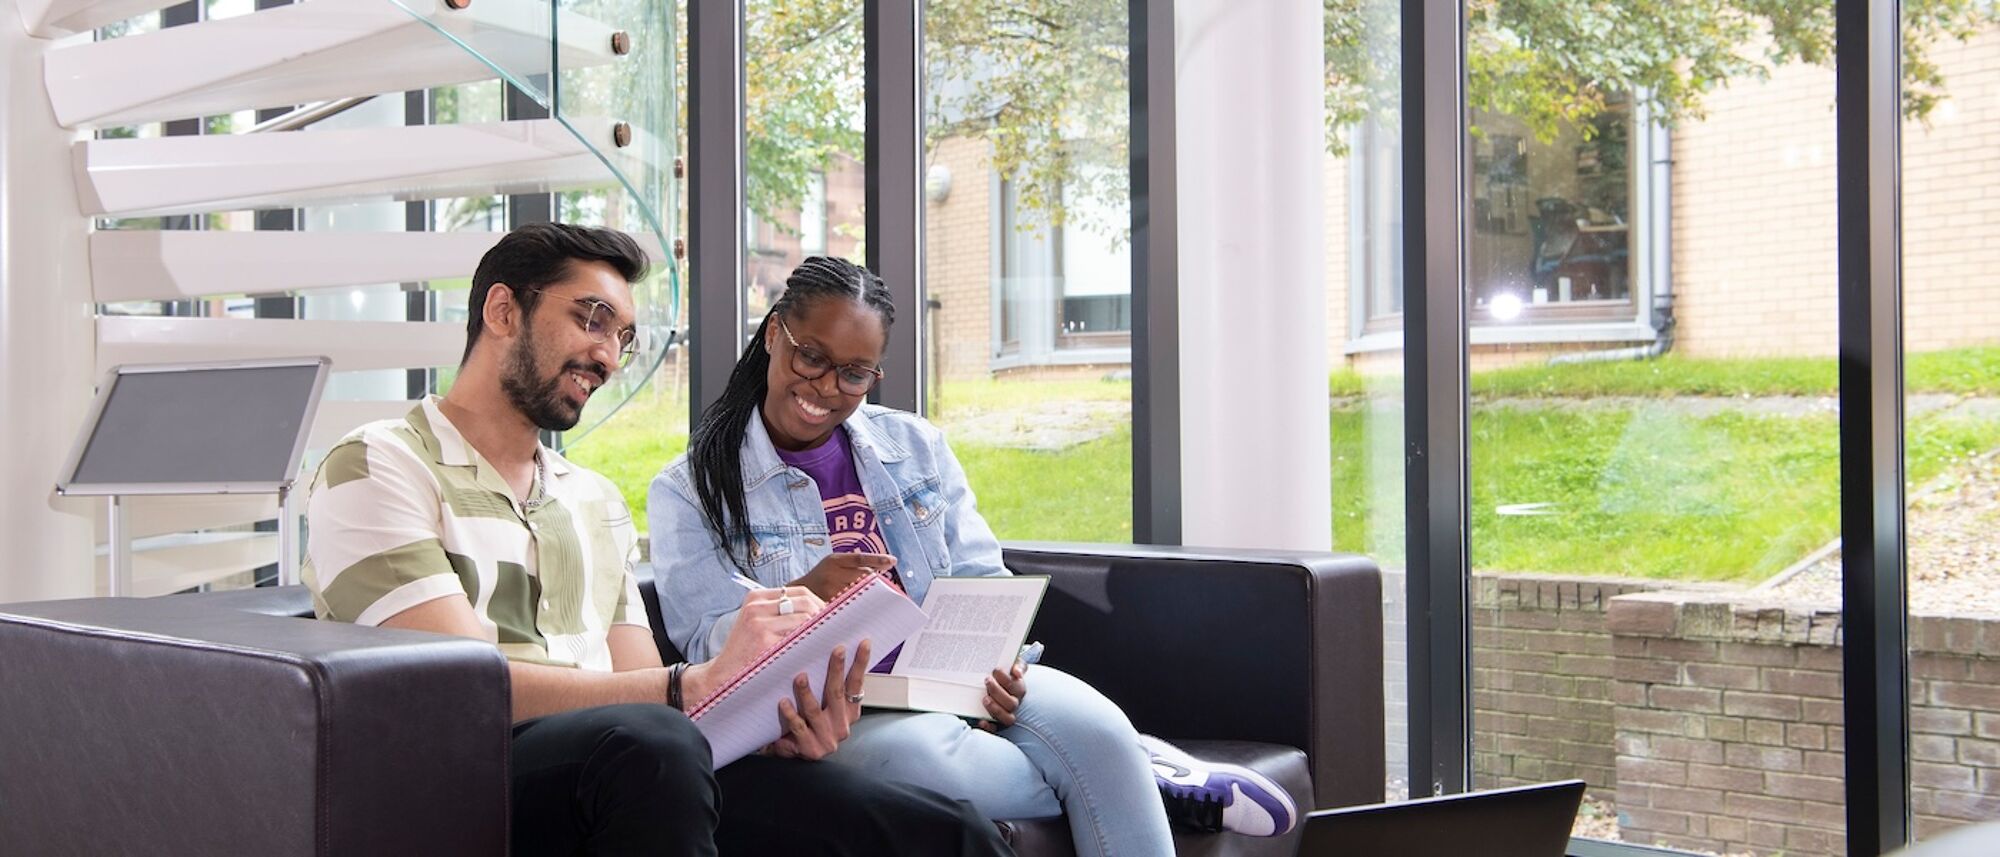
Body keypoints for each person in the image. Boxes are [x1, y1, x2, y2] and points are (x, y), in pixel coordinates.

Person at [302, 224, 1011, 857]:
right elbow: (459, 692)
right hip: (471, 775)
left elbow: (638, 686)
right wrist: (689, 685)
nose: (608, 356)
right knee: (655, 744)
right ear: (501, 310)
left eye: (622, 337)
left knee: (947, 832)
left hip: (633, 764)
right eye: (591, 320)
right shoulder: (378, 464)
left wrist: (772, 721)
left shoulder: (593, 498)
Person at [649, 256, 1299, 857]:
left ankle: (1125, 758)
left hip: (959, 678)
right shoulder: (688, 489)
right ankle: (1143, 771)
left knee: (1098, 728)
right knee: (959, 769)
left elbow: (981, 576)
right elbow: (707, 646)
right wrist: (805, 594)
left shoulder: (914, 444)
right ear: (773, 334)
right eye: (810, 356)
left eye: (853, 372)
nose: (824, 385)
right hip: (847, 711)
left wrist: (1002, 655)